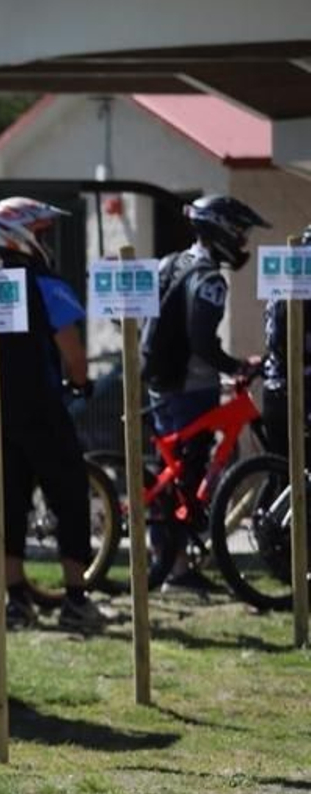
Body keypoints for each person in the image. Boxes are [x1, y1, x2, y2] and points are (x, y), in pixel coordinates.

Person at [0, 197, 106, 632]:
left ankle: (16, 602)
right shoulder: (43, 283)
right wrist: (82, 382)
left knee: (7, 504)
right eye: (43, 231)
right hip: (41, 409)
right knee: (69, 497)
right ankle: (75, 599)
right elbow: (71, 350)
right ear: (23, 234)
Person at [140, 193, 269, 593]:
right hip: (190, 386)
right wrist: (236, 366)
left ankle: (172, 563)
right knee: (187, 473)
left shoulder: (171, 262)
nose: (244, 242)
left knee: (174, 474)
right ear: (222, 231)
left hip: (162, 382)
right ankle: (177, 573)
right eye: (240, 232)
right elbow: (201, 341)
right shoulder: (209, 279)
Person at [261, 222, 311, 461]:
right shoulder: (305, 282)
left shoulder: (285, 273)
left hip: (274, 387)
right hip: (299, 388)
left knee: (284, 475)